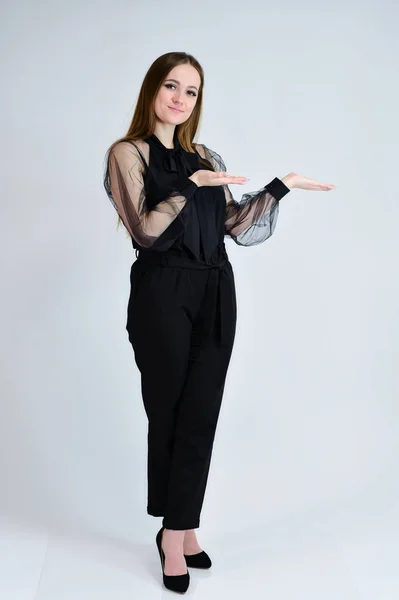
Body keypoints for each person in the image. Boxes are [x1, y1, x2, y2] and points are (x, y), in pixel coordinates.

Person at [103, 51, 336, 594]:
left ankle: (182, 525)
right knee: (169, 411)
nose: (181, 99)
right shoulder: (128, 153)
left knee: (202, 410)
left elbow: (234, 224)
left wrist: (282, 185)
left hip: (215, 288)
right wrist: (191, 185)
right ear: (152, 90)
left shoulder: (204, 154)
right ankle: (173, 533)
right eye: (172, 86)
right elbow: (145, 231)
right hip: (163, 292)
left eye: (191, 91)